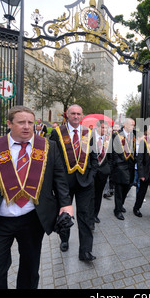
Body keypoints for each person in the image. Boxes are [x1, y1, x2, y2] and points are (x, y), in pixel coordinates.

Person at [0, 106, 73, 289]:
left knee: (30, 269)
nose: (27, 127)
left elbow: (59, 178)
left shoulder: (49, 147)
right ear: (9, 123)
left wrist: (65, 205)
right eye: (21, 122)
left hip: (32, 219)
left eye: (30, 123)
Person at [50, 104, 98, 261]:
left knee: (85, 216)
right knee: (65, 214)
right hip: (64, 183)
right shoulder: (57, 133)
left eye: (78, 114)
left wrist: (91, 175)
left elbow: (94, 158)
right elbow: (52, 159)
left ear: (82, 115)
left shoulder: (89, 133)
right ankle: (64, 240)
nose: (76, 116)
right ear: (67, 115)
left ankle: (85, 251)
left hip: (85, 183)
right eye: (73, 113)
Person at [134, 123, 150, 223]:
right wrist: (141, 174)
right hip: (146, 172)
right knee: (142, 192)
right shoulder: (143, 141)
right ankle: (136, 208)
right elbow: (139, 159)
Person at [111, 118, 136, 220]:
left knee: (127, 187)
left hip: (130, 166)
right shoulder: (116, 135)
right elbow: (113, 151)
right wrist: (118, 163)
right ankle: (117, 210)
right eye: (131, 124)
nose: (133, 127)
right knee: (119, 189)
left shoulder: (133, 136)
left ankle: (121, 204)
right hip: (120, 166)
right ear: (125, 125)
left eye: (134, 125)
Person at [91, 120, 112, 227]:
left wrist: (108, 169)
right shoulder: (90, 137)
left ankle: (95, 215)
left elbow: (110, 157)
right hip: (92, 173)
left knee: (98, 195)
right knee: (91, 195)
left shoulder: (108, 140)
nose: (105, 130)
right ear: (97, 127)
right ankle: (89, 218)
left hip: (103, 173)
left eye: (106, 128)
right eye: (103, 128)